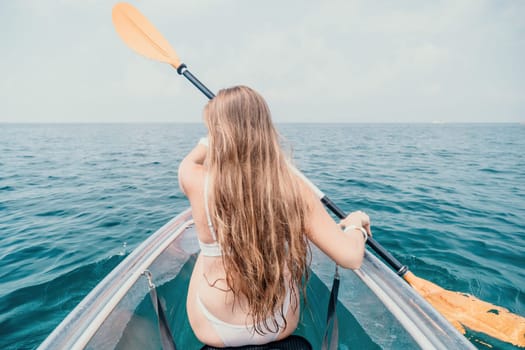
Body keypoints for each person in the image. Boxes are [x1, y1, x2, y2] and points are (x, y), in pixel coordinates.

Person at [178, 86, 371, 348]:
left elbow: (192, 159)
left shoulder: (195, 180)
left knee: (205, 253)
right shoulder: (294, 189)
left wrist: (211, 138)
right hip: (278, 323)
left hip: (214, 327)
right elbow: (350, 257)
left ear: (217, 134)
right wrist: (355, 225)